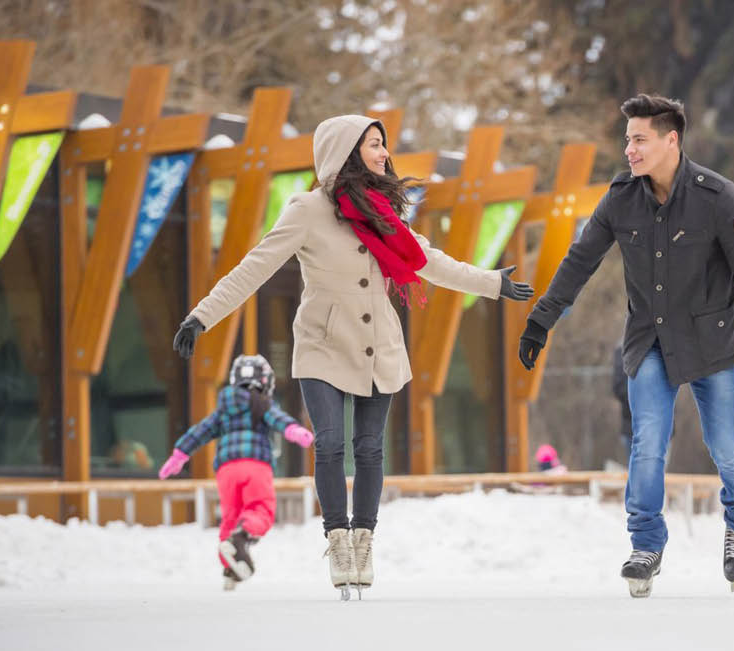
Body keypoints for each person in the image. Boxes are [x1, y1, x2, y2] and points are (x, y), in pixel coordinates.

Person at [173, 115, 533, 600]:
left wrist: (492, 283)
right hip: (323, 345)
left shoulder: (385, 213)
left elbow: (428, 260)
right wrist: (201, 316)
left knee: (368, 448)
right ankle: (337, 540)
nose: (385, 153)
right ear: (345, 150)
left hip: (378, 346)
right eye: (374, 144)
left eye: (384, 145)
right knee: (329, 442)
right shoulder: (306, 210)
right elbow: (253, 268)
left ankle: (363, 542)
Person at [518, 94, 734, 597]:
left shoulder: (719, 198)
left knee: (727, 449)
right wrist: (541, 321)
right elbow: (580, 261)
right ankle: (646, 542)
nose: (629, 149)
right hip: (648, 339)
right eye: (627, 139)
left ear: (671, 140)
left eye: (639, 139)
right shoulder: (620, 199)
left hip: (711, 342)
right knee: (648, 444)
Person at [158, 354, 314, 590]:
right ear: (265, 381)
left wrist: (179, 455)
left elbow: (201, 431)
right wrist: (294, 431)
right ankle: (240, 540)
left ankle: (230, 569)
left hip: (226, 470)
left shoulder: (224, 408)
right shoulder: (261, 403)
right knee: (260, 509)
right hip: (255, 465)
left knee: (231, 517)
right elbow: (277, 419)